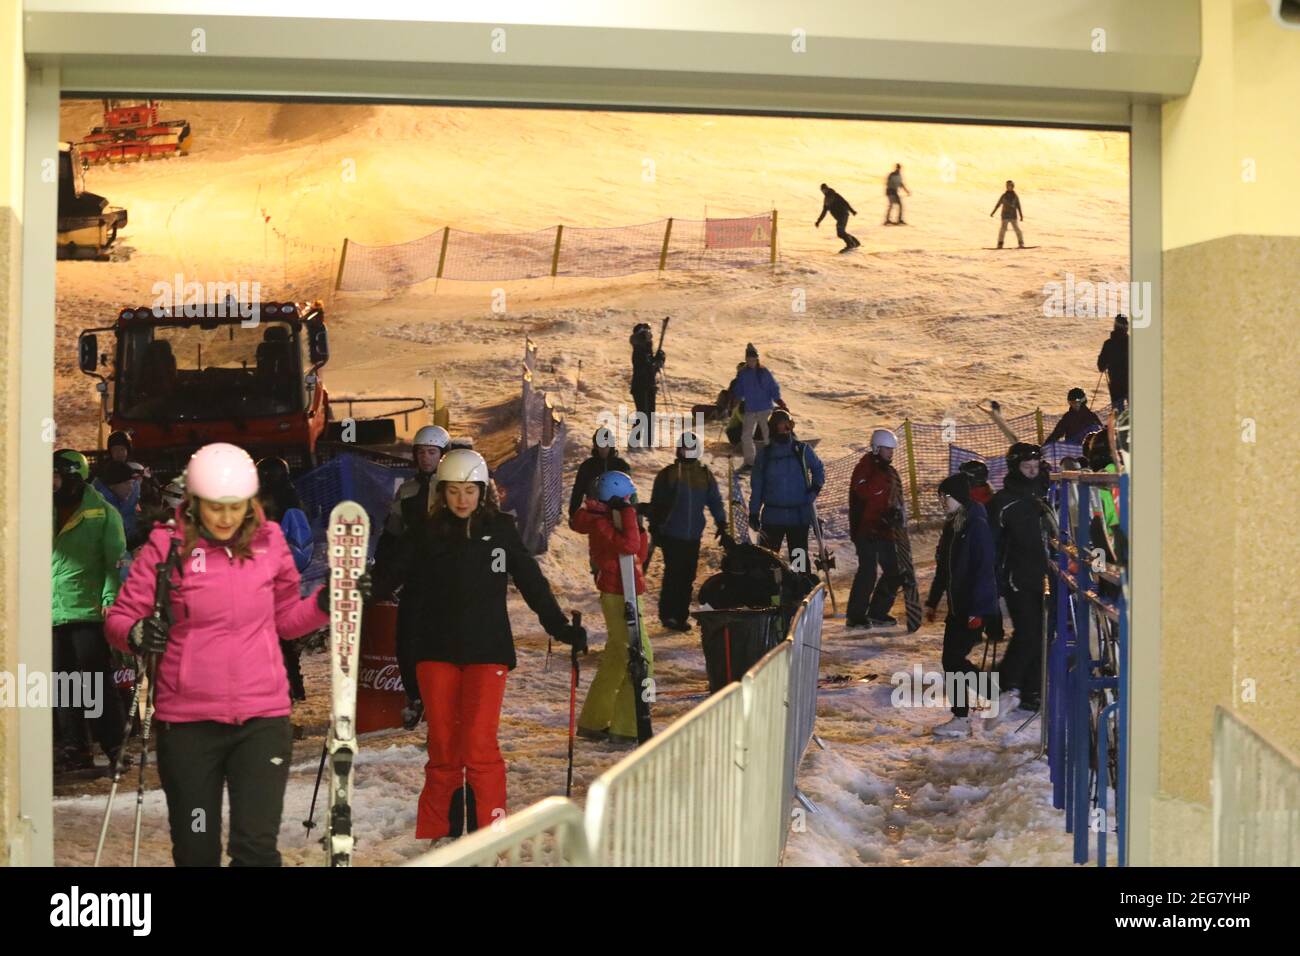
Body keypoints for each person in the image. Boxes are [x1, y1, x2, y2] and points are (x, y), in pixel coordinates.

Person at [105, 443, 343, 866]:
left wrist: (325, 604)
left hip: (262, 721)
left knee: (255, 851)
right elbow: (121, 617)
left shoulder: (270, 541)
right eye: (215, 507)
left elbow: (286, 618)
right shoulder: (167, 547)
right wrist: (137, 632)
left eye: (235, 506)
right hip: (188, 726)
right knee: (197, 851)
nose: (226, 517)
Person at [404, 449, 583, 840]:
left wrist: (558, 625)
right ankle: (442, 831)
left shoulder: (500, 530)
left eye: (470, 490)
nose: (462, 500)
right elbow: (402, 586)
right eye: (453, 491)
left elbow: (530, 579)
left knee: (479, 742)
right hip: (436, 652)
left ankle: (490, 830)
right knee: (444, 745)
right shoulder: (427, 532)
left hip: (487, 650)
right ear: (442, 492)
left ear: (483, 491)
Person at [52, 449, 129, 773]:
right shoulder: (39, 510)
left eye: (55, 478)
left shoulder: (102, 513)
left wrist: (110, 598)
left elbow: (115, 561)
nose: (49, 485)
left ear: (72, 478)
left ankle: (114, 746)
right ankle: (74, 747)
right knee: (62, 682)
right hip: (51, 610)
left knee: (95, 682)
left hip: (87, 609)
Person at [371, 424, 451, 728]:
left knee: (441, 640)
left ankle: (442, 700)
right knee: (406, 640)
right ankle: (416, 697)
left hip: (446, 579)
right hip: (415, 576)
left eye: (432, 452)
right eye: (421, 453)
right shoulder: (407, 491)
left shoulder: (454, 488)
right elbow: (392, 535)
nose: (426, 458)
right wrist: (382, 572)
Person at [571, 470, 653, 745]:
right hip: (619, 594)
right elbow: (628, 547)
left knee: (618, 658)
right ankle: (628, 726)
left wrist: (636, 523)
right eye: (630, 500)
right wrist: (629, 518)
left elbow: (640, 553)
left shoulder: (614, 519)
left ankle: (594, 721)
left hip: (627, 590)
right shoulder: (603, 522)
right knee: (642, 658)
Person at [928, 473, 999, 738]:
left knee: (954, 659)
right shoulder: (954, 525)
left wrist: (978, 611)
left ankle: (991, 696)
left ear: (957, 497)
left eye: (945, 497)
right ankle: (962, 715)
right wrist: (933, 601)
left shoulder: (975, 524)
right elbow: (944, 568)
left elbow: (984, 569)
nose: (942, 502)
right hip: (959, 606)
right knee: (952, 660)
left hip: (971, 606)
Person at [987, 442, 1051, 714]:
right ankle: (1005, 681)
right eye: (1027, 467)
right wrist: (992, 581)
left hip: (1046, 576)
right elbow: (992, 544)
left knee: (1044, 634)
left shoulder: (1045, 492)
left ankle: (1032, 690)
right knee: (1029, 632)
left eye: (1036, 467)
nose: (1032, 472)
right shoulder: (1003, 502)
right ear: (1015, 468)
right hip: (1018, 578)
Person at [648, 432, 731, 631]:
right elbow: (657, 503)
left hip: (693, 536)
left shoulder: (704, 474)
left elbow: (715, 500)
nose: (687, 451)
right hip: (672, 535)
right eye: (684, 448)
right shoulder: (668, 474)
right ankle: (668, 614)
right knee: (673, 575)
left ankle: (680, 615)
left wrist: (721, 522)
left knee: (687, 576)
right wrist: (655, 528)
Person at [256, 456, 314, 704]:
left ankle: (290, 687)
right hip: (269, 578)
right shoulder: (279, 501)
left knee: (279, 635)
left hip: (276, 580)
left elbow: (301, 547)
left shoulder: (286, 503)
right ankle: (287, 687)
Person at [749, 409, 824, 567]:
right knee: (767, 561)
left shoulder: (802, 451)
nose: (783, 430)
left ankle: (801, 588)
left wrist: (815, 488)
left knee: (799, 562)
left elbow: (818, 468)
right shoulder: (765, 455)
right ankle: (769, 588)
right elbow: (757, 486)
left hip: (798, 518)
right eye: (779, 426)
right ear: (772, 429)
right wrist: (754, 512)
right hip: (773, 518)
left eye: (786, 426)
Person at [846, 429, 905, 628]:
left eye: (892, 449)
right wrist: (880, 477)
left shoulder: (889, 472)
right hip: (866, 529)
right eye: (887, 449)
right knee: (868, 572)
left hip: (884, 529)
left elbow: (895, 498)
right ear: (877, 448)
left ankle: (878, 612)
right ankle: (855, 616)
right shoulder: (865, 467)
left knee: (894, 571)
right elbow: (863, 493)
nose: (891, 452)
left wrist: (895, 513)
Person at [731, 344, 787, 470]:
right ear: (746, 360)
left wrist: (779, 400)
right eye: (749, 359)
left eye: (753, 359)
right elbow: (739, 389)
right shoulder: (743, 374)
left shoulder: (763, 372)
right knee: (746, 436)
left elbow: (773, 387)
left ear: (757, 359)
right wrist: (735, 400)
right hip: (751, 408)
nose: (751, 362)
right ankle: (750, 462)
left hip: (764, 408)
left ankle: (771, 460)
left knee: (767, 435)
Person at [569, 426, 632, 520]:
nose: (603, 449)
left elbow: (630, 493)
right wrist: (573, 514)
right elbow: (578, 491)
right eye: (600, 445)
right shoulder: (587, 466)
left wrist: (635, 516)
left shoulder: (621, 466)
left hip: (618, 513)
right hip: (595, 513)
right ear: (595, 446)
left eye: (606, 445)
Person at [628, 323, 665, 449]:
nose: (649, 336)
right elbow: (646, 367)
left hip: (649, 386)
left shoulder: (646, 350)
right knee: (643, 415)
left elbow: (652, 367)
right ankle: (634, 443)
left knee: (650, 415)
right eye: (646, 334)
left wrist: (660, 359)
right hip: (640, 387)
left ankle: (648, 443)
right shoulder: (639, 350)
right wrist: (656, 361)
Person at [92, 458, 141, 547]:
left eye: (132, 483)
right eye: (126, 483)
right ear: (112, 485)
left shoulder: (131, 495)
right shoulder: (97, 505)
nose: (131, 488)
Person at [1097, 313, 1129, 409]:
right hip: (1132, 385)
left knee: (1118, 415)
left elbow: (1101, 366)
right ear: (1126, 328)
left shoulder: (1108, 344)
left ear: (1115, 326)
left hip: (1116, 386)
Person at [815, 183, 859, 251]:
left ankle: (850, 244)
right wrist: (818, 221)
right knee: (841, 232)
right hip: (839, 217)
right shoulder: (826, 200)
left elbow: (845, 202)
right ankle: (855, 242)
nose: (823, 191)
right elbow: (824, 212)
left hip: (843, 215)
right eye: (822, 190)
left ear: (827, 188)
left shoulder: (835, 195)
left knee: (840, 232)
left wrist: (852, 211)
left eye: (824, 190)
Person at [989, 179, 1026, 249]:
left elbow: (1018, 206)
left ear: (1012, 186)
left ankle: (1021, 243)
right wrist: (993, 212)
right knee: (1003, 230)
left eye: (1010, 186)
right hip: (1005, 216)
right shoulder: (1004, 196)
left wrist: (1021, 215)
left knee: (1017, 229)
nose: (1008, 187)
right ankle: (1000, 244)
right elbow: (998, 204)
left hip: (1013, 216)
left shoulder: (1015, 196)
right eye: (1007, 186)